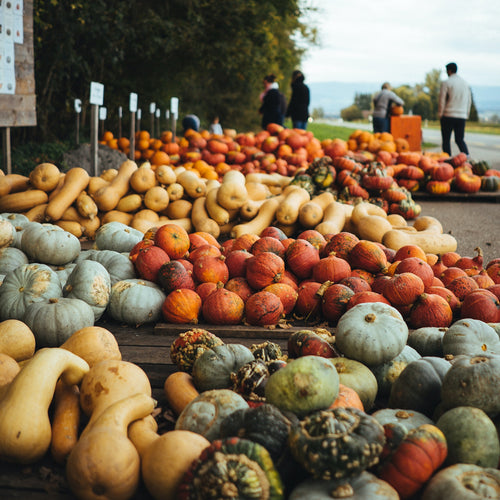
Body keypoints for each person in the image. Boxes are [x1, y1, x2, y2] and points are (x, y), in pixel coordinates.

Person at [438, 62, 472, 156]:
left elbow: (442, 100)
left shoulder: (446, 83)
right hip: (461, 116)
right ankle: (467, 157)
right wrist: (466, 114)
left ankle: (447, 160)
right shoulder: (465, 83)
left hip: (448, 115)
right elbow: (469, 101)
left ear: (449, 71)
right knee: (460, 139)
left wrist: (440, 114)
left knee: (446, 140)